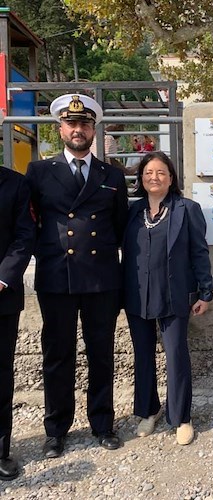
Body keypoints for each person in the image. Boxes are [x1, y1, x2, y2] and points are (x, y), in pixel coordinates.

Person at [25, 94, 129, 458]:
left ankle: (102, 423)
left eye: (84, 124)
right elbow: (31, 222)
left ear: (93, 129)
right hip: (57, 277)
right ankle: (56, 430)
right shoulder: (39, 172)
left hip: (101, 278)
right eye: (72, 124)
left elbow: (118, 227)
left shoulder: (111, 175)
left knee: (101, 354)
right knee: (57, 355)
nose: (78, 130)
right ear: (61, 129)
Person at [122, 151, 213, 445]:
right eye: (149, 173)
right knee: (143, 354)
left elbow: (199, 252)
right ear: (141, 178)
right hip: (138, 294)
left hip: (174, 295)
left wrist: (205, 292)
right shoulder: (133, 212)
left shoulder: (187, 209)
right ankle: (149, 410)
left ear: (171, 178)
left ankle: (182, 417)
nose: (154, 177)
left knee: (175, 355)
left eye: (161, 172)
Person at [0, 166, 35, 480]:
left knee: (0, 376)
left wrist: (2, 277)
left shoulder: (15, 184)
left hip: (1, 298)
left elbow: (24, 236)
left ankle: (1, 451)